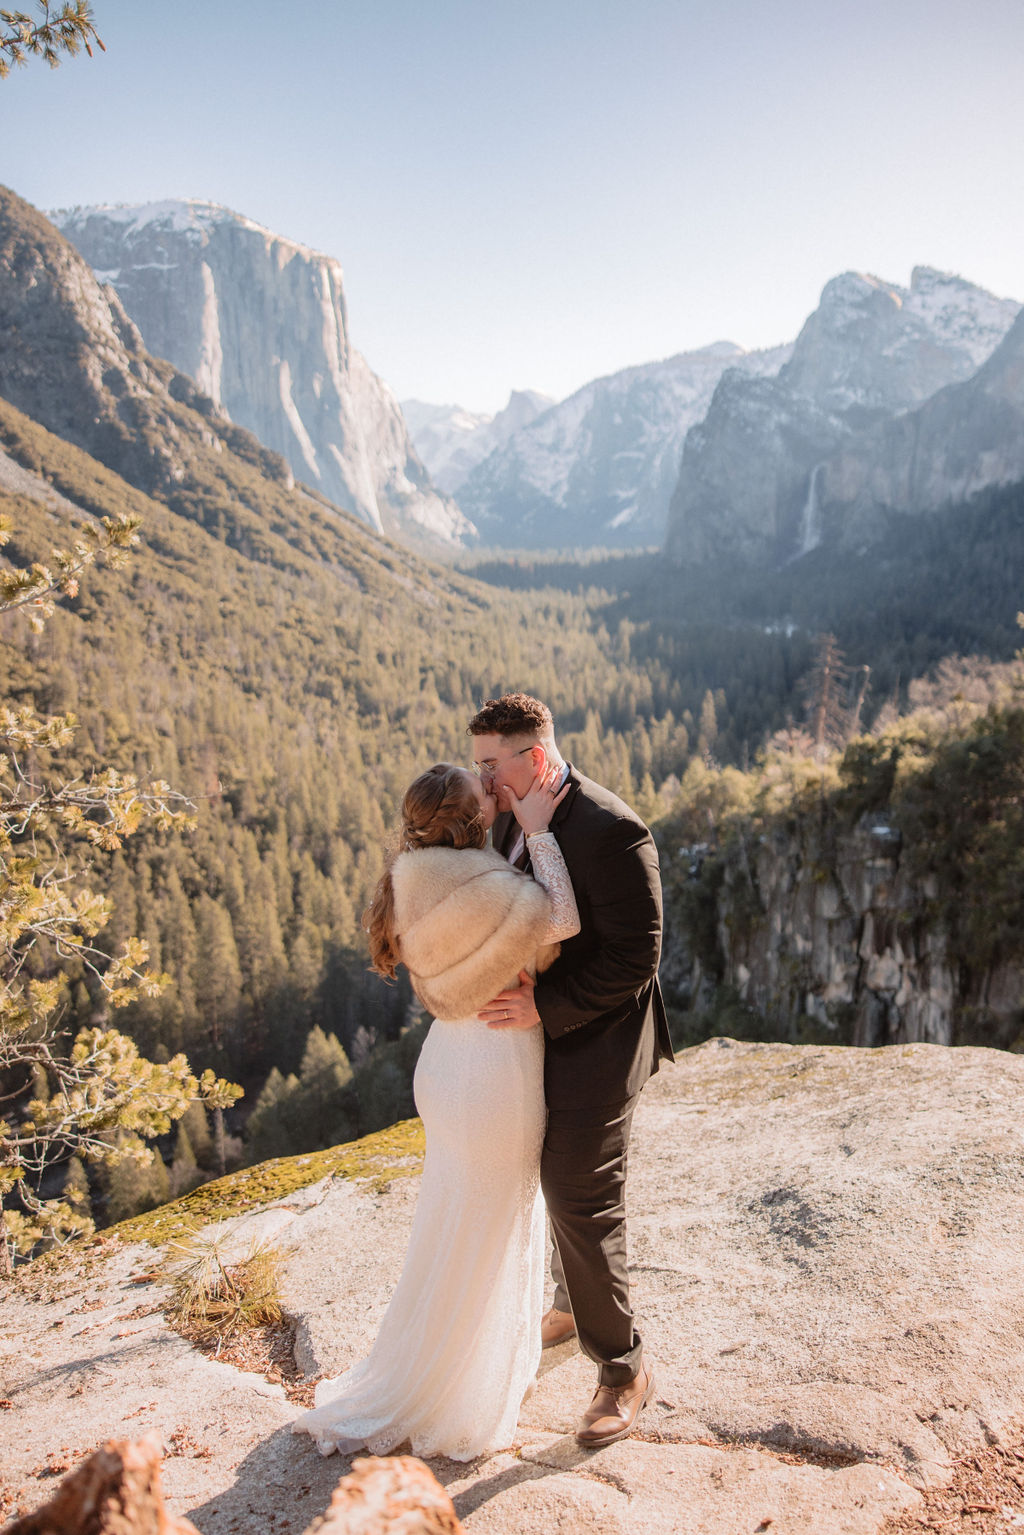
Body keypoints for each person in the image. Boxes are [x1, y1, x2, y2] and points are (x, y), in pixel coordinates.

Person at [293, 760, 579, 1461]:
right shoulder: (489, 886)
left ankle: (435, 1366)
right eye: (483, 787)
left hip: (447, 1067)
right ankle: (461, 1390)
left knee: (450, 1224)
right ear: (472, 817)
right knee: (493, 1223)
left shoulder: (409, 878)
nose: (493, 784)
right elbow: (560, 920)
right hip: (494, 1070)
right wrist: (539, 832)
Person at [469, 693, 674, 1450]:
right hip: (531, 1039)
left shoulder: (613, 829)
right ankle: (567, 1300)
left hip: (599, 1043)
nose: (481, 777)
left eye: (492, 763)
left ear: (536, 759)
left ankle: (623, 1368)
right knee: (540, 1170)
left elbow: (635, 958)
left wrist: (542, 1009)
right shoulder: (504, 812)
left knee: (582, 1195)